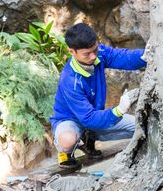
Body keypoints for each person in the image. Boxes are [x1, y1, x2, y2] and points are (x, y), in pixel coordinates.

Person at [50, 23, 146, 169]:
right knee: (67, 140)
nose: (94, 56)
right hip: (71, 120)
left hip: (94, 116)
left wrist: (145, 55)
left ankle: (89, 139)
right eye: (87, 54)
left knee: (141, 125)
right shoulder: (70, 80)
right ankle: (66, 152)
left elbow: (123, 57)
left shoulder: (98, 53)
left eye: (95, 49)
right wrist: (119, 110)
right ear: (72, 52)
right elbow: (88, 118)